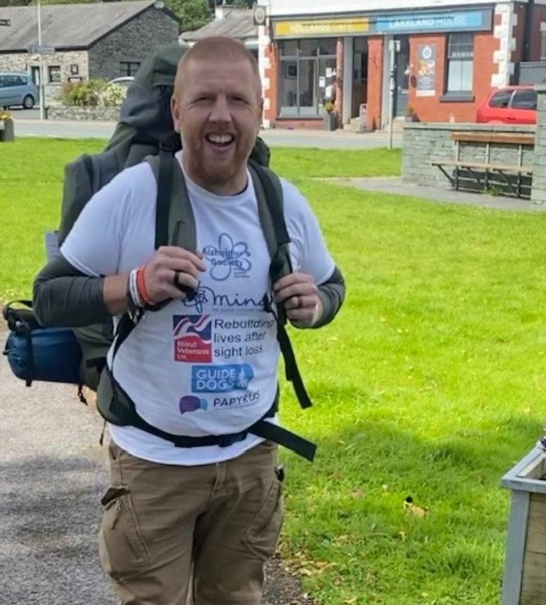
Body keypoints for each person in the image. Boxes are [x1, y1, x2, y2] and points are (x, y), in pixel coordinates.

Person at [33, 36, 346, 605]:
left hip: (251, 459)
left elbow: (332, 284)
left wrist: (316, 304)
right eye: (204, 100)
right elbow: (50, 295)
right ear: (177, 112)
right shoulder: (135, 193)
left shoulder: (283, 201)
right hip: (155, 462)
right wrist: (132, 285)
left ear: (258, 111)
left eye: (237, 100)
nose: (221, 115)